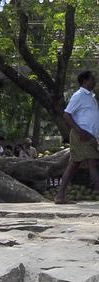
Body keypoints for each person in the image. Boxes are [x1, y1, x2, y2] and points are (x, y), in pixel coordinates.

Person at [57, 70, 99, 204]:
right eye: (92, 79)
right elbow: (66, 114)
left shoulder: (91, 97)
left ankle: (60, 195)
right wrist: (79, 131)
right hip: (82, 135)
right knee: (93, 163)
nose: (95, 81)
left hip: (89, 136)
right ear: (85, 81)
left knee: (74, 164)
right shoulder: (79, 95)